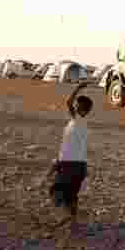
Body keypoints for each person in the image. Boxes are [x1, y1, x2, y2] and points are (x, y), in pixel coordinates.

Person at [47, 84, 93, 228]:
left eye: (78, 106)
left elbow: (68, 102)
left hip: (69, 164)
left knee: (56, 191)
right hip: (79, 165)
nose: (75, 107)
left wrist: (78, 88)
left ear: (83, 110)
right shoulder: (82, 124)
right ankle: (73, 220)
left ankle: (66, 216)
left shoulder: (78, 120)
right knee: (72, 194)